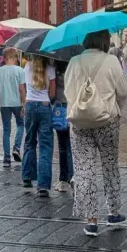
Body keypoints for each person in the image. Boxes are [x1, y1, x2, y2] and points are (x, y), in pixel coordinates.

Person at [66, 31, 127, 236]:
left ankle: (91, 220)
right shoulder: (111, 60)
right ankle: (113, 212)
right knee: (110, 165)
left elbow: (68, 92)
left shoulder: (74, 61)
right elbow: (123, 93)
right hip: (107, 120)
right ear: (104, 40)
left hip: (80, 122)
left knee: (84, 168)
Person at [20, 53, 56, 196]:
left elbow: (22, 86)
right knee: (45, 146)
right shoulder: (50, 68)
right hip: (44, 106)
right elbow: (52, 93)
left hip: (29, 106)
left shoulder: (27, 66)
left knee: (29, 142)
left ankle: (27, 177)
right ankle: (43, 185)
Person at [0, 47, 26, 169]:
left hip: (4, 104)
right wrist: (24, 103)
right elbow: (22, 89)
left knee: (6, 130)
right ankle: (16, 148)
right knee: (21, 125)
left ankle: (6, 158)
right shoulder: (20, 71)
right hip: (17, 102)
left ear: (4, 58)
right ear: (13, 58)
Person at [54, 60, 74, 192]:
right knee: (71, 146)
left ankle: (63, 179)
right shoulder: (74, 70)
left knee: (62, 146)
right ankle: (72, 176)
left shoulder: (54, 72)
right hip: (72, 109)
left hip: (59, 110)